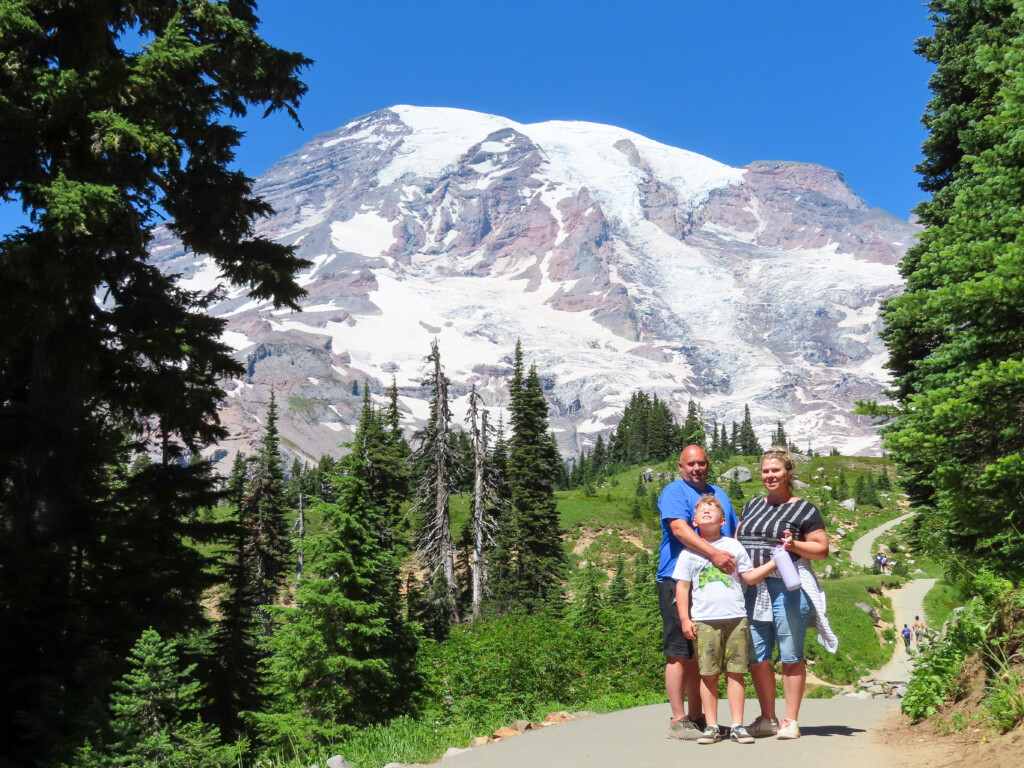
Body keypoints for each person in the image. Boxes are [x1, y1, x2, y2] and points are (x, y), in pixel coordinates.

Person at [736, 446, 835, 741]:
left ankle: (790, 720)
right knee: (757, 655)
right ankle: (767, 718)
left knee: (791, 654)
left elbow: (822, 549)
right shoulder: (752, 505)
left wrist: (794, 546)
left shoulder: (805, 509)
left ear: (789, 473)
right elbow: (737, 539)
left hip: (788, 587)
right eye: (766, 471)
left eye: (776, 470)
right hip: (753, 586)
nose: (770, 476)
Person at [673, 494, 777, 745]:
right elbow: (682, 588)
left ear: (723, 521)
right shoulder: (689, 553)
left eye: (712, 509)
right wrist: (685, 619)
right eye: (701, 511)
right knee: (708, 674)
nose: (706, 512)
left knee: (736, 673)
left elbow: (749, 577)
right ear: (694, 522)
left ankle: (737, 725)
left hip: (736, 618)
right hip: (704, 620)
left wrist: (776, 562)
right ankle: (711, 725)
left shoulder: (733, 546)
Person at [657, 445, 739, 740]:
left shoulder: (719, 493)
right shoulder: (674, 491)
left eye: (701, 463)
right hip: (676, 580)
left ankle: (698, 717)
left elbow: (733, 530)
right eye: (690, 464)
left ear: (708, 465)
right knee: (678, 651)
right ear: (681, 466)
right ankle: (678, 720)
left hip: (714, 584)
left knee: (701, 652)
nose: (696, 468)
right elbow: (679, 529)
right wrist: (715, 554)